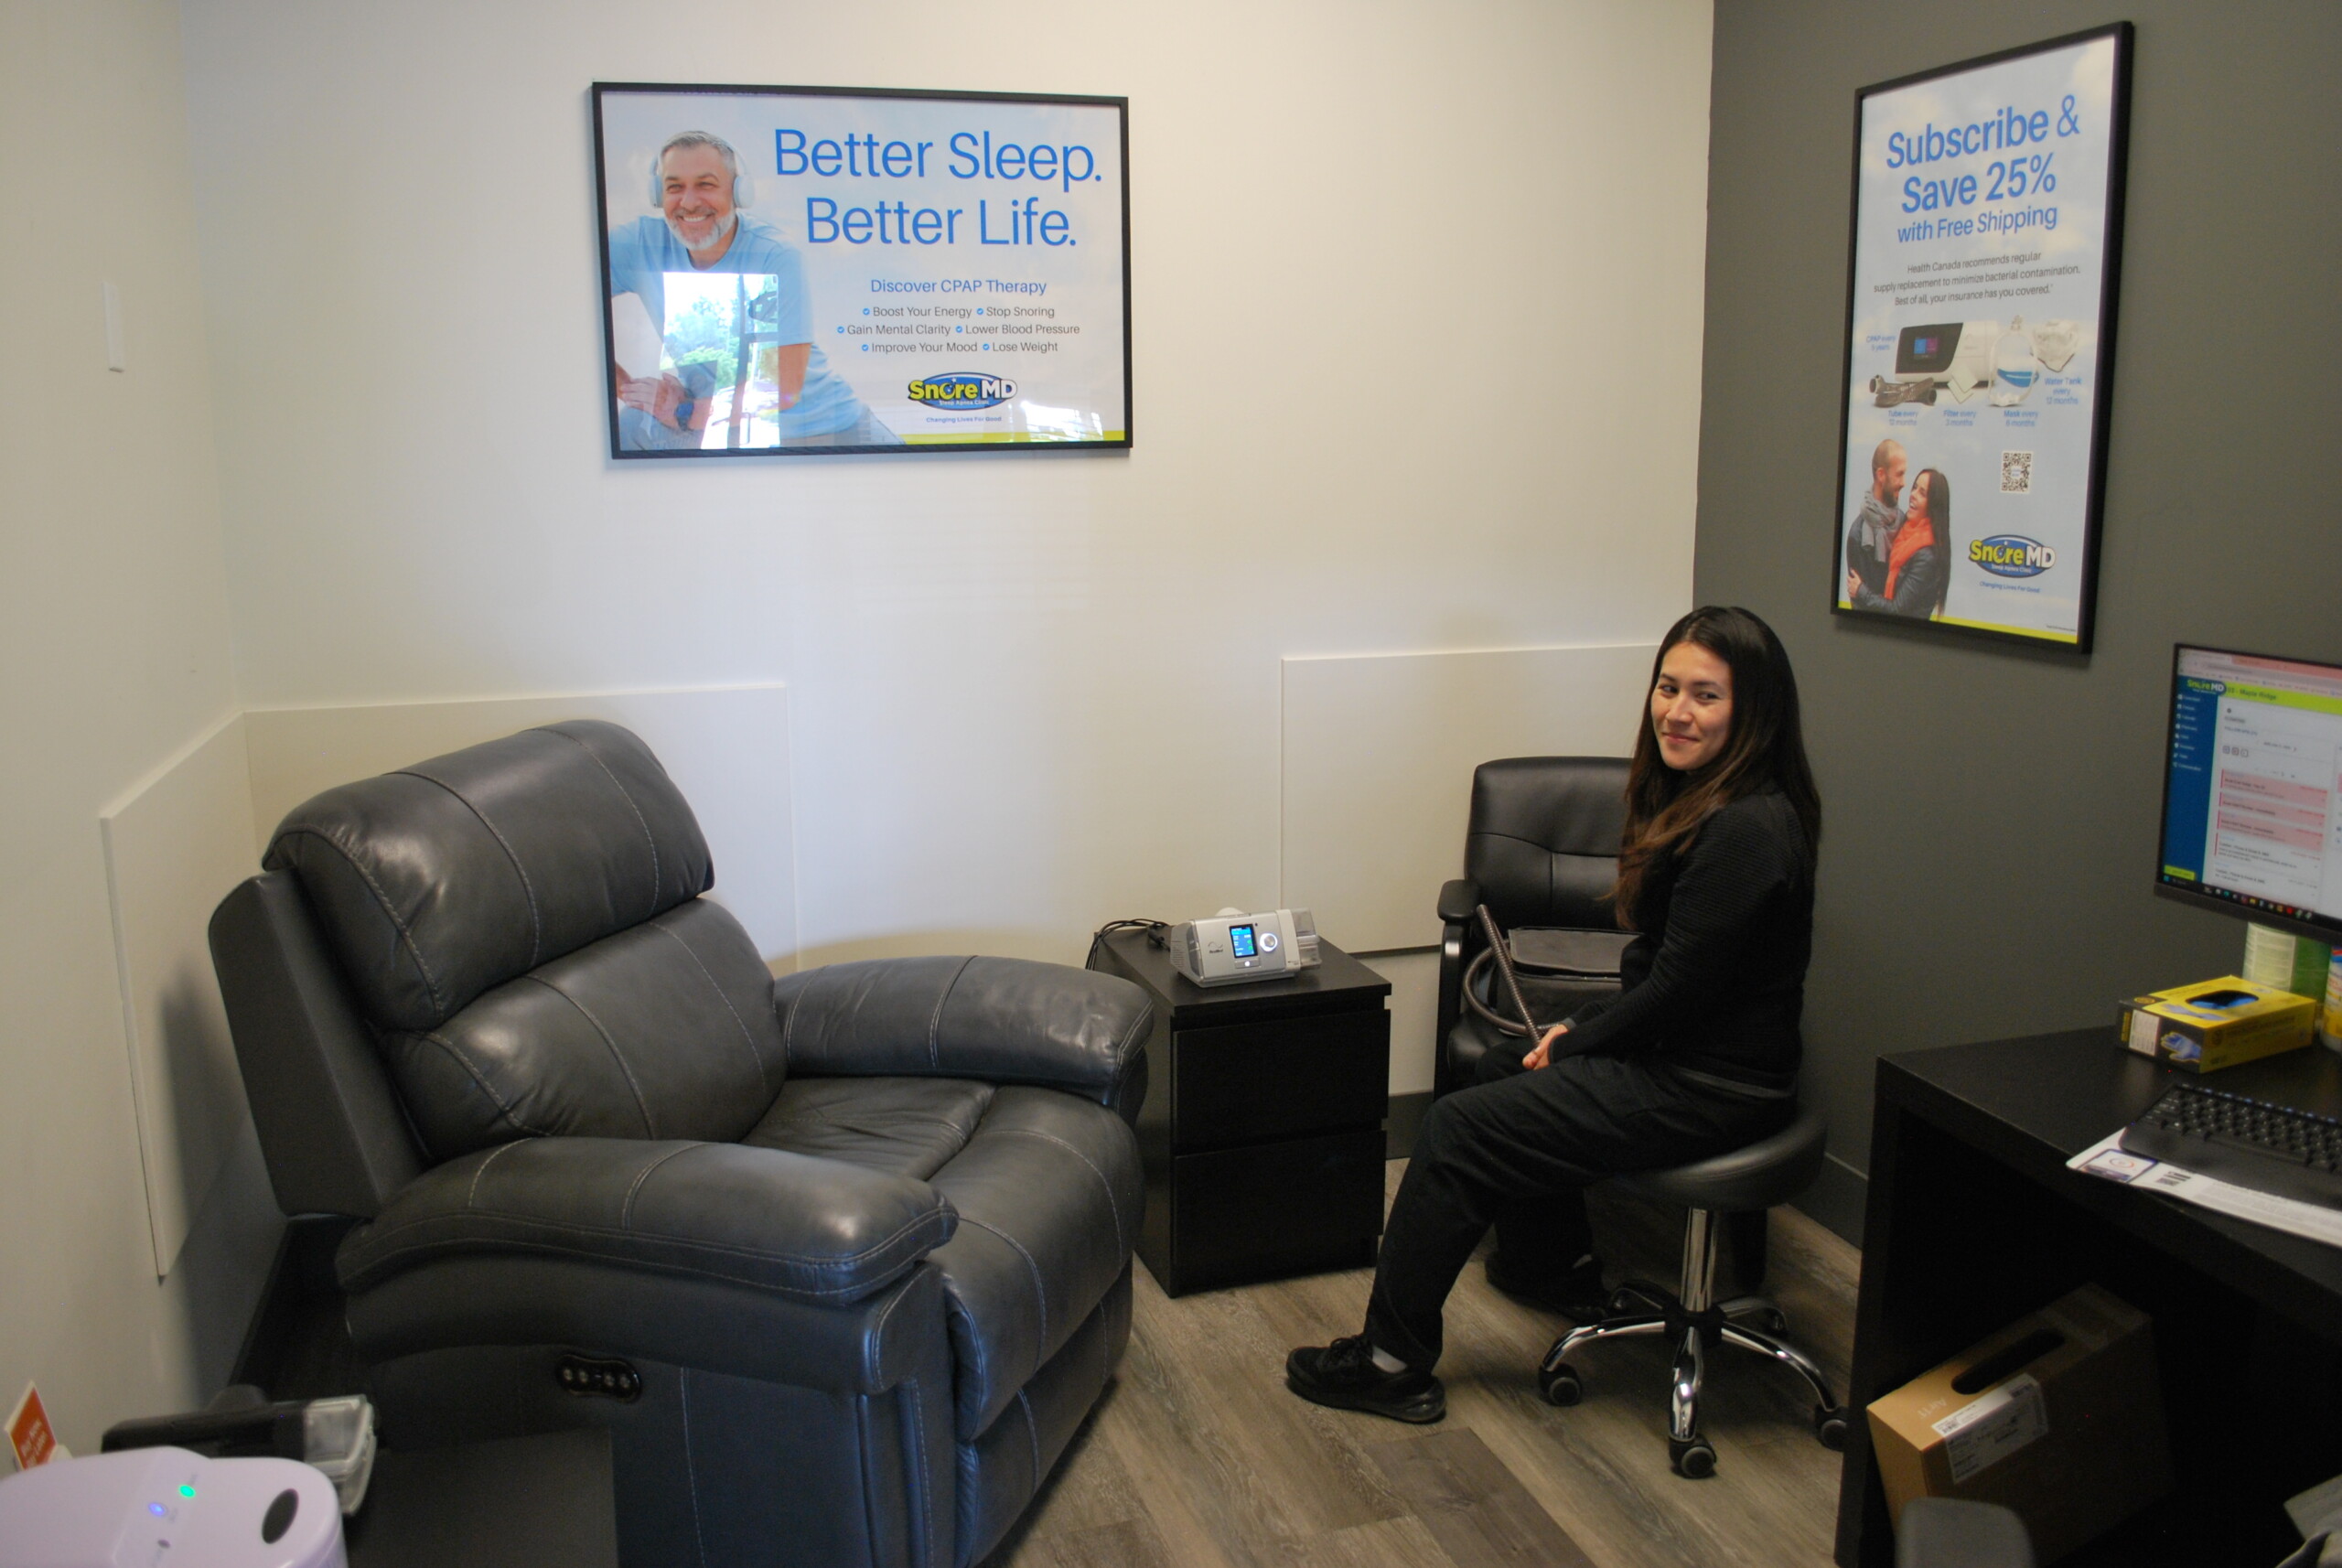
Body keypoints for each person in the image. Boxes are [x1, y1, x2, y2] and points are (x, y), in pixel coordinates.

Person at [1285, 606, 1821, 1423]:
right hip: (1694, 1055)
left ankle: (1391, 1362)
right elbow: (1679, 983)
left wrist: (1575, 1040)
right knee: (1499, 1067)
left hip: (1710, 1084)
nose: (1677, 711)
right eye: (1668, 687)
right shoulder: (1717, 802)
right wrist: (1571, 1039)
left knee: (1456, 1128)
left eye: (1706, 696)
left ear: (1752, 712)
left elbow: (1676, 993)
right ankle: (1550, 1266)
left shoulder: (1744, 830)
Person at [607, 131, 899, 450]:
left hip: (821, 424)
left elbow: (783, 388)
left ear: (738, 192)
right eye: (674, 187)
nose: (689, 202)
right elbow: (572, 294)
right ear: (657, 194)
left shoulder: (773, 254)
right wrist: (631, 391)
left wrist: (682, 411)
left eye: (706, 185)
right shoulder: (638, 245)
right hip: (715, 422)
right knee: (633, 425)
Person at [1846, 467, 1950, 619]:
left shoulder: (1927, 556)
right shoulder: (1904, 528)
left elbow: (1897, 609)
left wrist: (1861, 591)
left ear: (1934, 506)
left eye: (1922, 493)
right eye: (1915, 488)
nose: (1913, 495)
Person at [1843, 438, 1906, 603]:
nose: (1904, 483)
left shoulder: (1905, 522)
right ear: (1881, 475)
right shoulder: (1858, 536)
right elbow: (1859, 605)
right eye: (1899, 474)